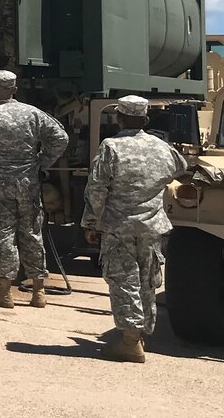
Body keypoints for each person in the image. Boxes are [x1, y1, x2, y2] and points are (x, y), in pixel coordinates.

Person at [81, 95, 188, 363]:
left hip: (119, 226)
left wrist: (91, 223)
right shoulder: (161, 147)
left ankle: (129, 342)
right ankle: (141, 336)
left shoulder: (111, 147)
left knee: (123, 280)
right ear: (146, 119)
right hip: (152, 226)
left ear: (119, 118)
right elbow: (181, 169)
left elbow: (97, 188)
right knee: (147, 281)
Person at [0, 69, 70, 309]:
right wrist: (41, 161)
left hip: (0, 182)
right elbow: (60, 137)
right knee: (31, 232)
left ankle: (5, 292)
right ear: (15, 90)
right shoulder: (33, 114)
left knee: (3, 236)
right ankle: (38, 292)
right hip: (28, 181)